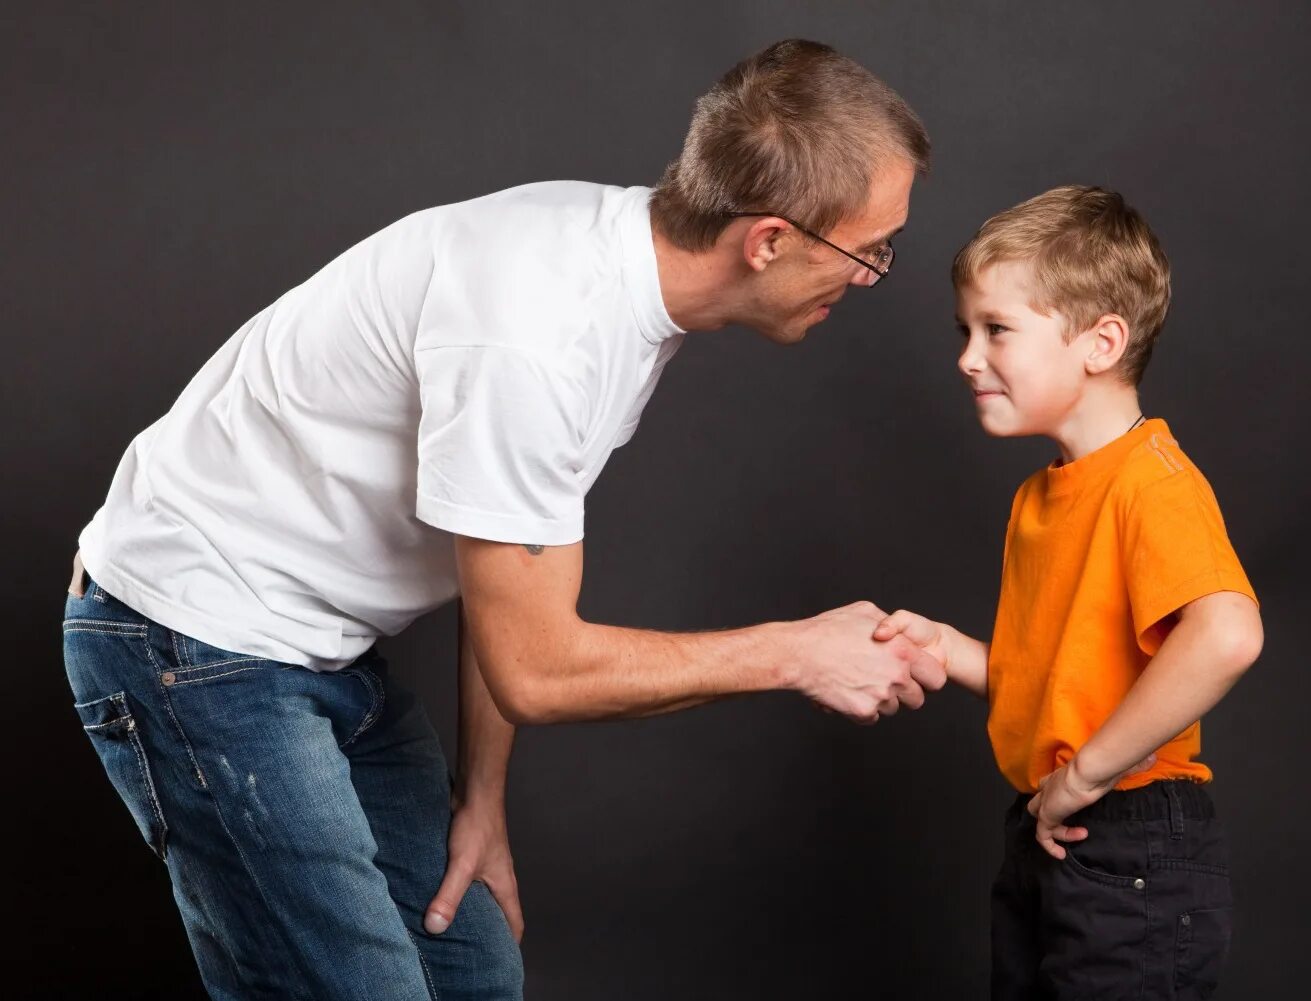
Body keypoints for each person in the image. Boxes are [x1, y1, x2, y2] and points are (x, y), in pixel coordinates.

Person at [63, 39, 944, 1000]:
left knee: (472, 969)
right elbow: (537, 667)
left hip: (319, 646)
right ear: (767, 240)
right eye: (868, 250)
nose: (868, 277)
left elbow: (508, 585)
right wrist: (796, 651)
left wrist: (480, 804)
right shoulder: (537, 337)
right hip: (191, 642)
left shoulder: (617, 274)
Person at [875, 185, 1263, 999]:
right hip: (1052, 831)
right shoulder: (1041, 496)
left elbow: (1227, 633)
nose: (966, 358)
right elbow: (1066, 682)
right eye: (964, 331)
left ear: (1100, 342)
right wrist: (950, 651)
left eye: (997, 331)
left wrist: (1083, 775)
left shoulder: (1149, 484)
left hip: (1130, 837)